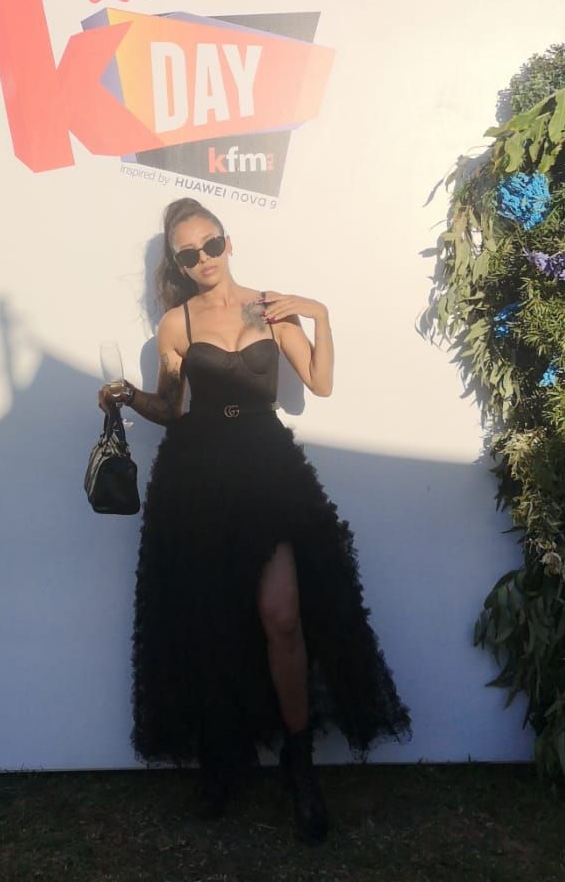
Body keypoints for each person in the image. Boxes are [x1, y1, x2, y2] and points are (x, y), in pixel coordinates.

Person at [99, 198, 411, 842]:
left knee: (282, 617)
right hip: (199, 474)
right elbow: (172, 408)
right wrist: (126, 396)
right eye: (189, 254)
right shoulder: (177, 323)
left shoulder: (270, 308)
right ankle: (222, 761)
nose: (204, 260)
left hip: (267, 471)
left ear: (228, 241)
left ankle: (300, 766)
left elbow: (320, 383)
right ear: (178, 264)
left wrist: (319, 314)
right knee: (211, 622)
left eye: (211, 244)